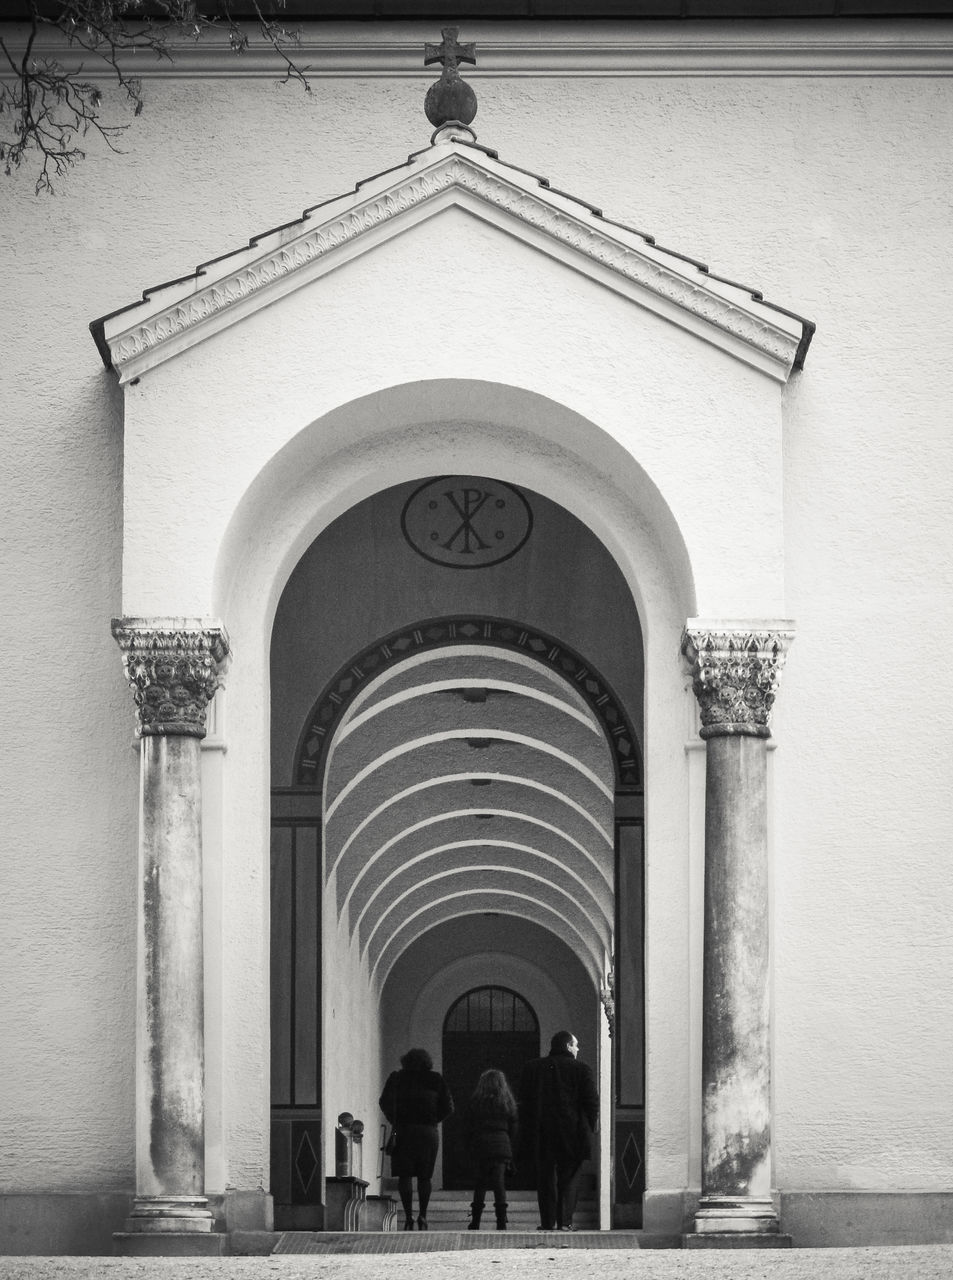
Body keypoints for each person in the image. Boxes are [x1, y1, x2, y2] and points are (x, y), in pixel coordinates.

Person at [518, 1030, 598, 1232]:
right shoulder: (581, 1069)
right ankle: (565, 1222)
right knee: (569, 1178)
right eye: (576, 1045)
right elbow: (591, 1101)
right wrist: (593, 1125)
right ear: (568, 1046)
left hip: (541, 1133)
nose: (578, 1049)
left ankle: (547, 1222)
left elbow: (524, 1102)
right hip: (573, 1133)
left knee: (545, 1178)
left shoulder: (532, 1068)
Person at [379, 1047, 453, 1231]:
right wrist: (433, 1119)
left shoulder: (397, 1078)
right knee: (424, 1177)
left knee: (405, 1176)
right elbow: (448, 1106)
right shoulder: (436, 1079)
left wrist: (394, 1120)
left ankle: (409, 1216)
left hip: (403, 1131)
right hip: (428, 1133)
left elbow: (384, 1102)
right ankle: (423, 1215)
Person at [463, 1068, 519, 1232]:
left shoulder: (476, 1102)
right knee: (499, 1184)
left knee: (480, 1184)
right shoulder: (507, 1102)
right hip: (501, 1145)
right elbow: (514, 1128)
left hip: (481, 1145)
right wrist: (510, 1148)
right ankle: (501, 1221)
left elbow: (468, 1126)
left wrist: (469, 1146)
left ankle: (475, 1221)